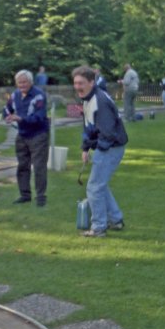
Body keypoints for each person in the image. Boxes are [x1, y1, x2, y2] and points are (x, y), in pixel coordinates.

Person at [72, 65, 128, 238]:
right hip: (107, 146)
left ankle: (98, 228)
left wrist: (98, 152)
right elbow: (89, 126)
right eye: (75, 83)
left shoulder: (99, 100)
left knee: (94, 187)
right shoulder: (87, 98)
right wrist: (85, 148)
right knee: (100, 185)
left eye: (81, 83)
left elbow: (107, 133)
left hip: (110, 147)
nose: (77, 87)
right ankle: (116, 220)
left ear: (91, 82)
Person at [3, 69, 49, 207]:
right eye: (19, 82)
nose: (22, 85)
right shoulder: (15, 95)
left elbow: (39, 117)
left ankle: (40, 197)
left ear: (31, 82)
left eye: (24, 82)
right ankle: (25, 195)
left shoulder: (39, 95)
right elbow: (7, 108)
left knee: (39, 166)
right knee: (22, 165)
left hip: (38, 134)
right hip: (22, 134)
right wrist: (7, 116)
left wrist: (21, 119)